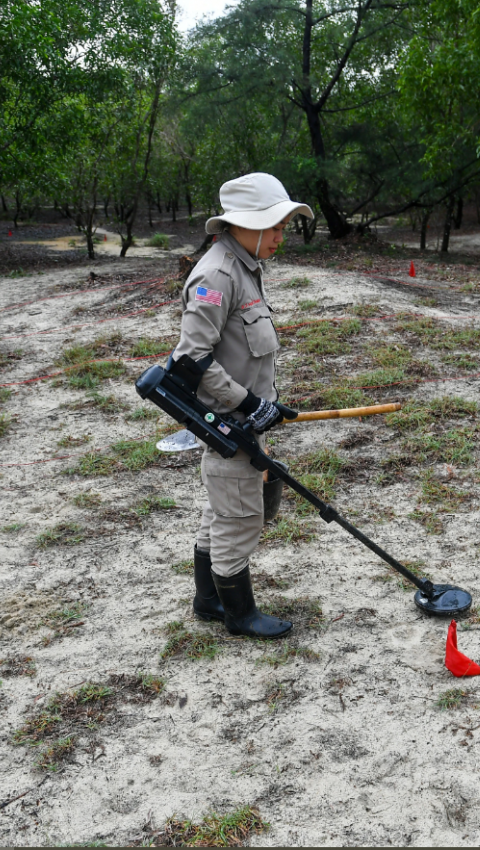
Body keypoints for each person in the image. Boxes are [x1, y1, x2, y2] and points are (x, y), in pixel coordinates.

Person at [172, 173, 313, 639]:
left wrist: (267, 404)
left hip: (246, 416)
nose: (280, 236)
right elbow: (191, 357)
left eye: (283, 226)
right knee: (239, 517)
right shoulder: (217, 275)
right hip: (229, 421)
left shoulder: (245, 265)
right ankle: (238, 613)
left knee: (221, 511)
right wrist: (249, 402)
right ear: (244, 225)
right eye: (274, 226)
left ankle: (208, 599)